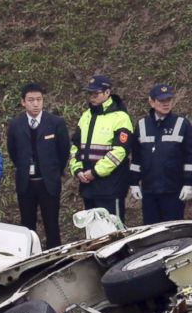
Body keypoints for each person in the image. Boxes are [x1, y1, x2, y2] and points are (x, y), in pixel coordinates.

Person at [6, 82, 71, 247]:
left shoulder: (56, 123)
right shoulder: (15, 125)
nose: (35, 104)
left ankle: (55, 260)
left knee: (52, 224)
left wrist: (55, 171)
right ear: (23, 102)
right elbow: (13, 151)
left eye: (39, 99)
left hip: (48, 182)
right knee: (27, 226)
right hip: (26, 183)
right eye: (31, 100)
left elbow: (63, 151)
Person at [68, 75, 134, 223]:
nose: (92, 97)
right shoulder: (86, 116)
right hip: (88, 186)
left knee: (114, 231)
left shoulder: (120, 117)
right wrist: (77, 170)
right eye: (90, 94)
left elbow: (120, 151)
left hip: (111, 185)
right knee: (93, 231)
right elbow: (75, 147)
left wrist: (95, 172)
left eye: (96, 94)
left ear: (107, 92)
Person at [129, 84, 192, 224]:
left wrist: (189, 183)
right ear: (151, 102)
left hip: (173, 191)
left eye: (169, 100)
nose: (166, 103)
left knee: (172, 232)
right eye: (162, 100)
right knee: (151, 232)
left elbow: (190, 157)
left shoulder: (182, 124)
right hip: (149, 191)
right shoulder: (142, 125)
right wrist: (133, 182)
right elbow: (137, 158)